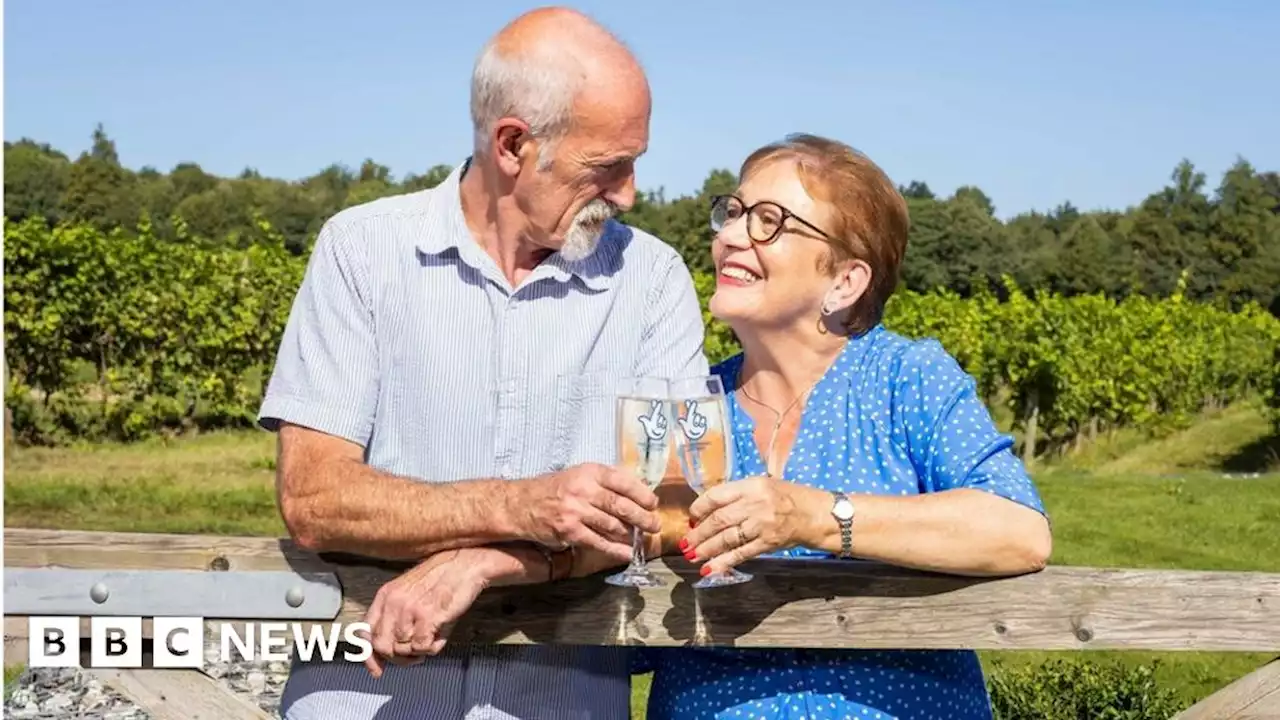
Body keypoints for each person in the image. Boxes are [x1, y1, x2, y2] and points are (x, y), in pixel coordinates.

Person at [395, 133, 1054, 719]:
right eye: (733, 213)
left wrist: (811, 516)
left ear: (846, 280)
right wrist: (495, 558)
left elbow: (1017, 530)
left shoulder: (905, 378)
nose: (731, 236)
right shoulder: (689, 393)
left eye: (771, 222)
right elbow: (635, 538)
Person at [255, 7, 708, 719]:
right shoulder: (360, 251)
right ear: (512, 145)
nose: (628, 193)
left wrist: (492, 560)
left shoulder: (654, 278)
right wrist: (520, 506)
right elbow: (314, 498)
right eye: (607, 166)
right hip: (364, 698)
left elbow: (678, 507)